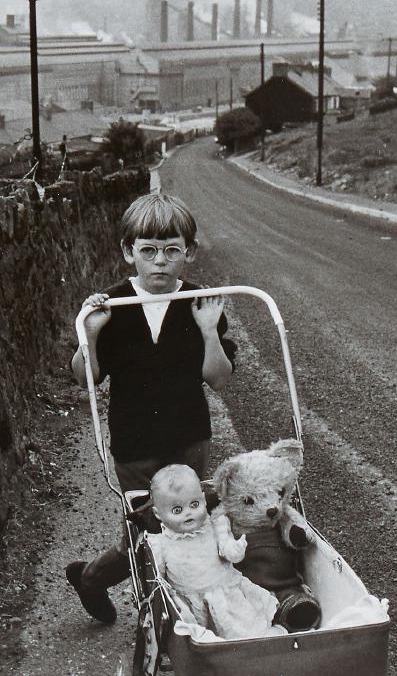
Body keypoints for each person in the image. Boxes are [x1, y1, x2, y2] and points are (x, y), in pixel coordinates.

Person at [65, 192, 236, 624]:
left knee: (193, 525)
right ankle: (98, 581)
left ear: (188, 252)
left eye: (171, 250)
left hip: (190, 435)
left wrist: (208, 331)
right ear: (129, 252)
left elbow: (219, 378)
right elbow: (86, 378)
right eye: (148, 251)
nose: (160, 261)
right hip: (135, 441)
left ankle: (189, 611)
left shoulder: (201, 303)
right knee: (150, 532)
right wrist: (91, 334)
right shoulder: (111, 304)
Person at [145, 464, 281, 639]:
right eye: (177, 510)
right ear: (158, 514)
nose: (188, 513)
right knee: (194, 636)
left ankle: (263, 638)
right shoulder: (161, 543)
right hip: (190, 603)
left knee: (245, 628)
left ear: (203, 499)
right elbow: (158, 577)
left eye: (194, 504)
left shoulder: (216, 525)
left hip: (225, 595)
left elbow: (230, 553)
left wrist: (236, 548)